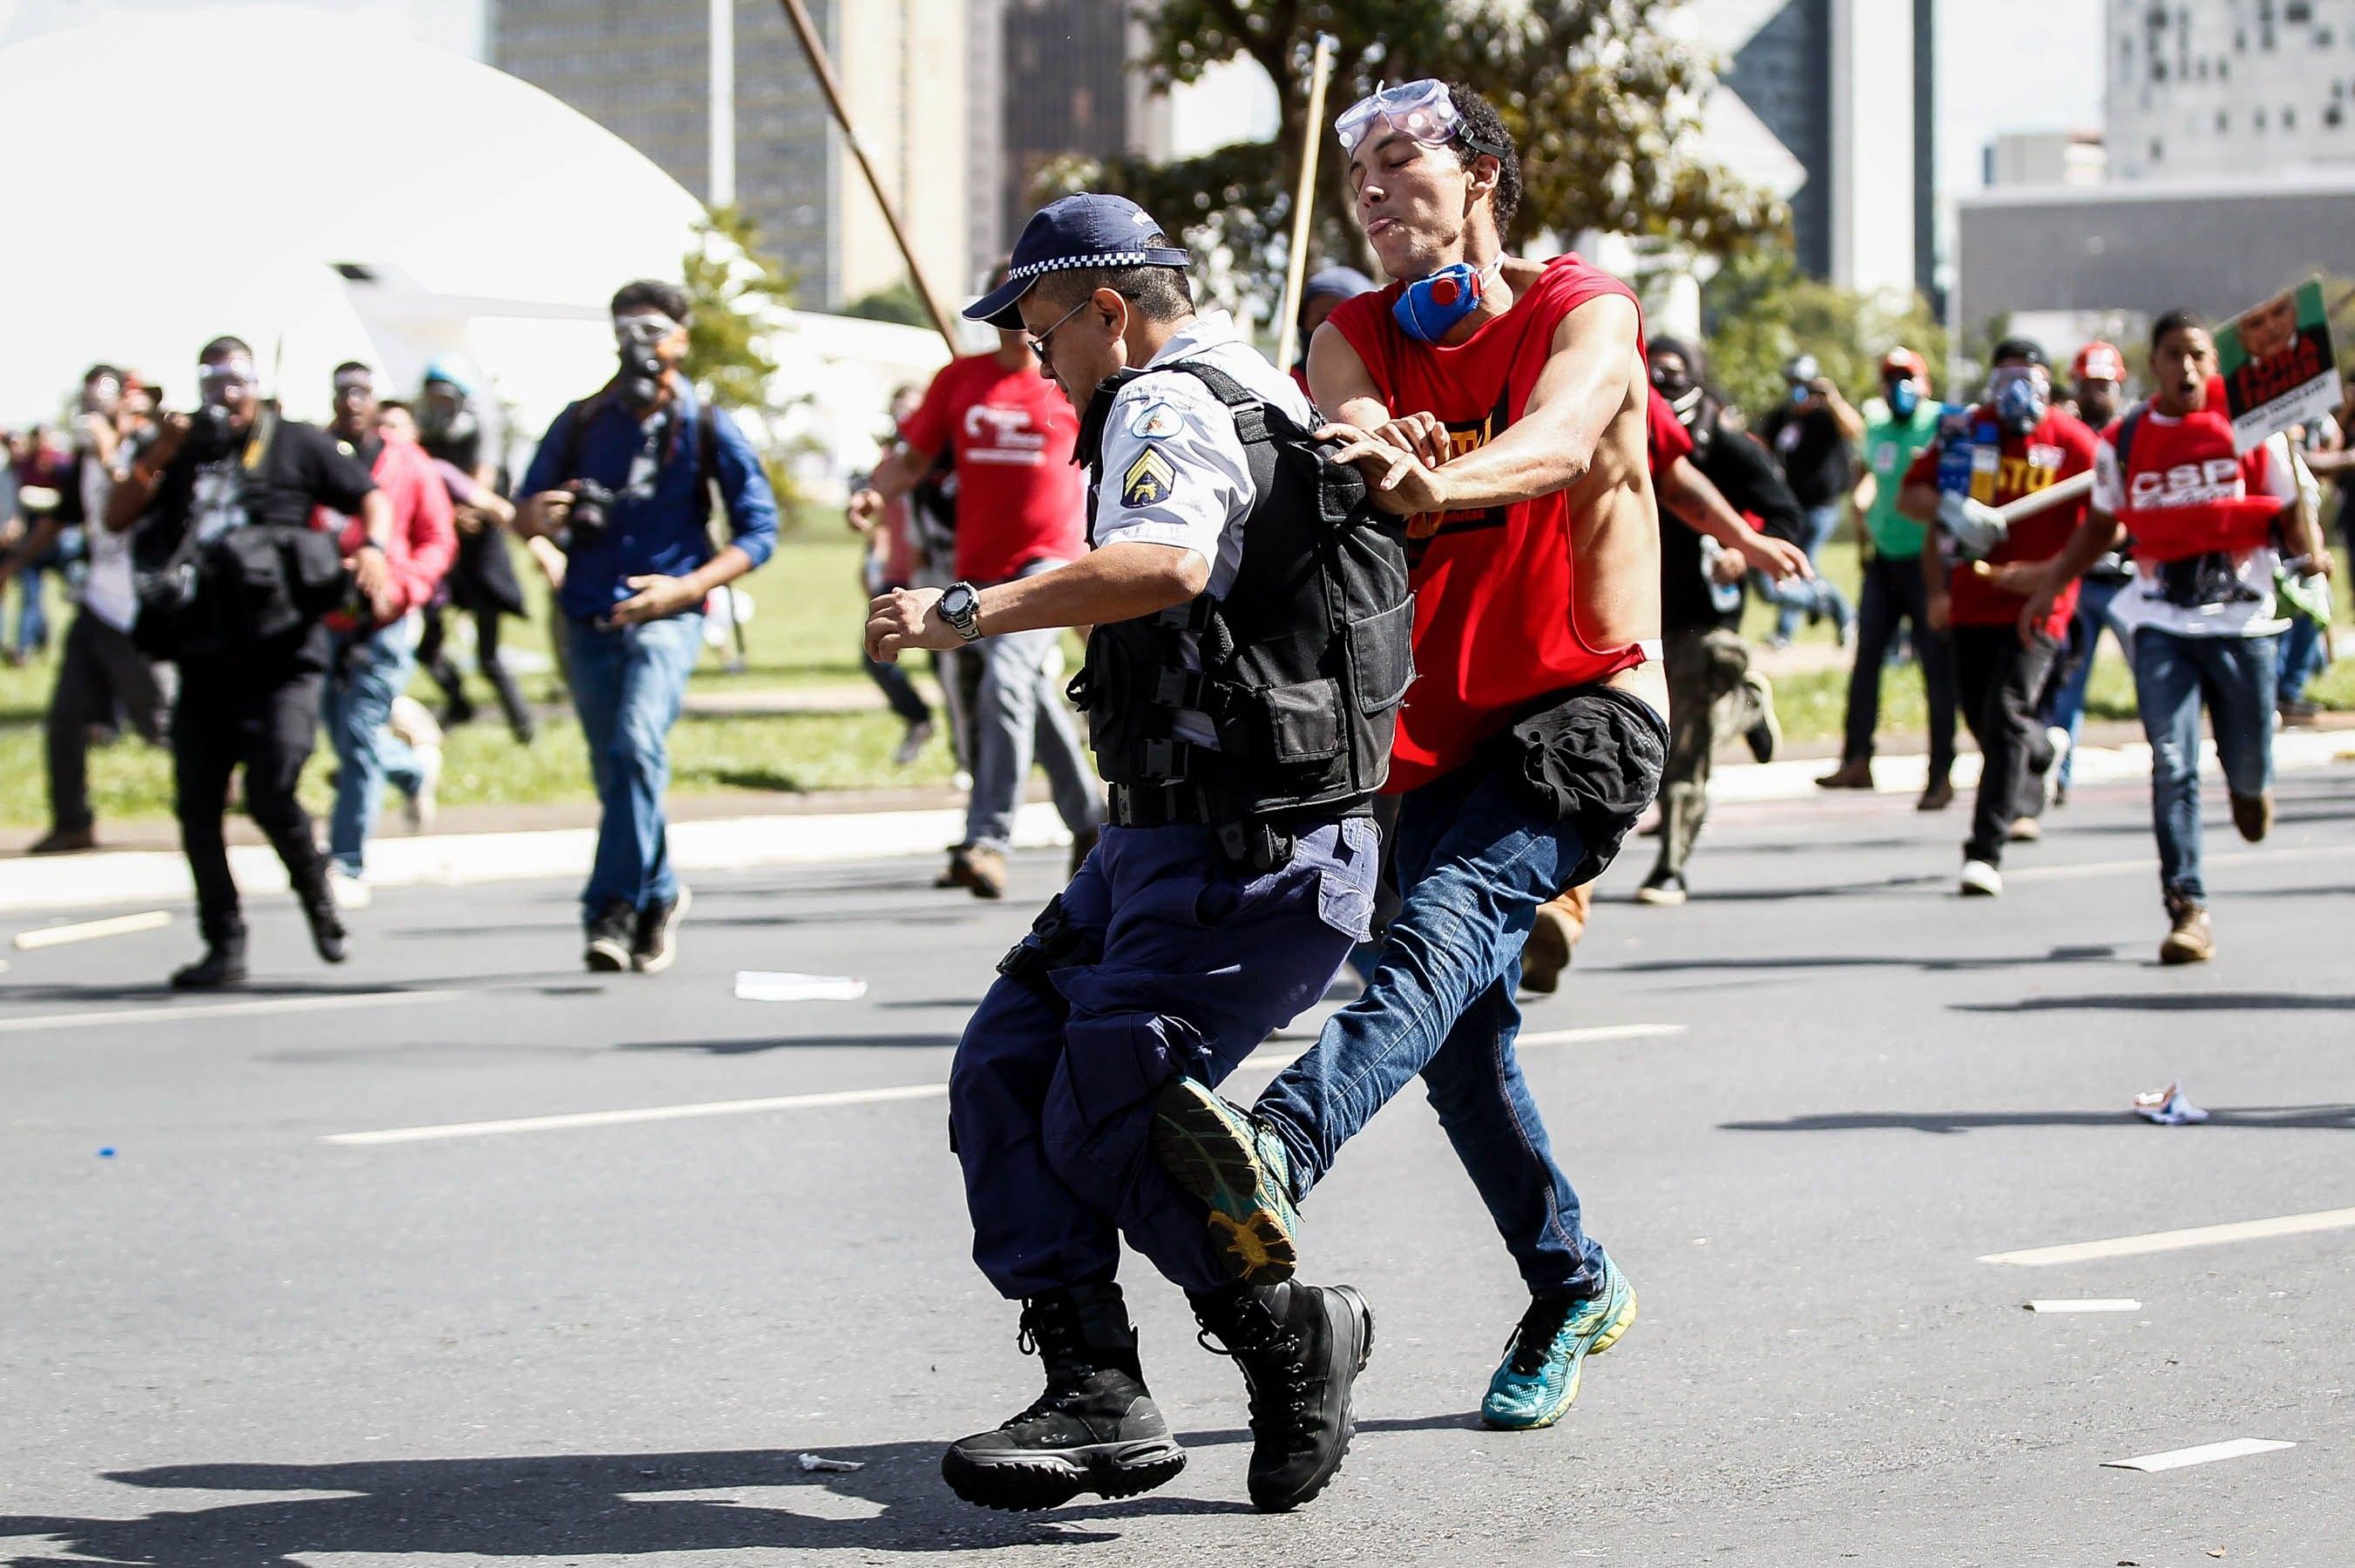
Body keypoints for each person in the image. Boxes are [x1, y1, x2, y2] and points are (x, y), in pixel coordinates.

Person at [1148, 79, 1668, 1435]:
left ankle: (1276, 1145)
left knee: (1430, 945)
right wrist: (1385, 465)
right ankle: (1572, 1283)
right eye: (1356, 173)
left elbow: (1557, 443)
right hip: (1420, 735)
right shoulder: (1350, 334)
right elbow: (1352, 448)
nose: (1371, 189)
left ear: (1481, 175)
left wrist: (1445, 481)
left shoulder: (1584, 307)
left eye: (1399, 160)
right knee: (1461, 1046)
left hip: (1587, 703)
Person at [866, 192, 1397, 1514]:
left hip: (1249, 846)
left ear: (1109, 308)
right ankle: (1095, 1387)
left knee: (1104, 1100)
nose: (1037, 361)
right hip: (1160, 841)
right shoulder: (1238, 384)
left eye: (1045, 330)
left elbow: (1160, 563)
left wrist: (967, 607)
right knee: (1007, 1067)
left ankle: (1288, 1335)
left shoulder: (1164, 399)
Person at [2015, 310, 2319, 962]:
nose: (2184, 367)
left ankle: (2249, 784)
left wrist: (2308, 537)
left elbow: (2293, 524)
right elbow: (2100, 527)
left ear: (2214, 363)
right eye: (2172, 355)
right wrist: (2047, 586)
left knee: (2245, 760)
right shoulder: (2125, 441)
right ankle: (2187, 907)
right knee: (2172, 764)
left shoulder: (2254, 434)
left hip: (2242, 623)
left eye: (2197, 355)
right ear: (2152, 364)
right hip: (2158, 622)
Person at [106, 336, 394, 988]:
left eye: (236, 381)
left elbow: (370, 495)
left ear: (257, 384)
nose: (225, 395)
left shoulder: (294, 442)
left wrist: (372, 547)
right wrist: (162, 449)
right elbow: (118, 513)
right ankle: (224, 943)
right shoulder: (183, 451)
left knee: (271, 790)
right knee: (197, 806)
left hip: (284, 653)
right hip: (205, 655)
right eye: (213, 381)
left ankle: (318, 899)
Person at [514, 279, 778, 975]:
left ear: (681, 337)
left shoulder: (707, 422)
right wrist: (542, 519)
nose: (639, 342)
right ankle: (659, 891)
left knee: (635, 749)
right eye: (626, 328)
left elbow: (759, 531)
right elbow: (524, 509)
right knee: (619, 774)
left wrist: (685, 588)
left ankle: (610, 911)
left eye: (653, 327)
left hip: (670, 614)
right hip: (586, 613)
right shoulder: (579, 421)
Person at [849, 267, 1105, 900]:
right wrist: (873, 497)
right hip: (977, 570)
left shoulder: (1067, 377)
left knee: (1007, 680)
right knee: (1030, 699)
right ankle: (1091, 822)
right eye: (1007, 311)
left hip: (1050, 562)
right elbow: (909, 460)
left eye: (1031, 311)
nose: (1019, 325)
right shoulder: (958, 381)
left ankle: (987, 839)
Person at [1896, 338, 2097, 897]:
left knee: (2006, 709)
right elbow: (1911, 500)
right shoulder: (1965, 432)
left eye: (2027, 378)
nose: (2014, 391)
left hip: (2039, 604)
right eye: (2004, 376)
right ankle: (2039, 748)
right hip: (1973, 599)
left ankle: (1984, 849)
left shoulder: (2073, 442)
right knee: (1983, 718)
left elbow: (2108, 522)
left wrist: (2051, 575)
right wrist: (1950, 509)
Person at [1630, 341, 1815, 909]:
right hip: (1635, 611)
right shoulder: (1621, 427)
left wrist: (1745, 546)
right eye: (1651, 368)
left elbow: (1785, 512)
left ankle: (1671, 867)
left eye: (1673, 370)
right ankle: (1747, 706)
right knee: (1651, 737)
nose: (1660, 379)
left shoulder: (1725, 446)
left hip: (1704, 619)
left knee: (1685, 748)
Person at [0, 366, 176, 854]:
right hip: (97, 604)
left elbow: (131, 507)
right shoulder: (84, 459)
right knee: (66, 720)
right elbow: (65, 515)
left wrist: (108, 453)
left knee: (160, 722)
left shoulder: (151, 450)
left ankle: (218, 791)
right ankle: (72, 822)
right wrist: (13, 565)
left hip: (138, 612)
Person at [315, 364, 457, 908]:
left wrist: (404, 586)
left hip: (386, 620)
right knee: (342, 734)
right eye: (343, 390)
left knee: (357, 733)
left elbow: (436, 538)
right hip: (325, 619)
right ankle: (413, 767)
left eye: (363, 391)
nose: (352, 401)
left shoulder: (408, 463)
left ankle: (347, 863)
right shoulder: (316, 452)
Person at [1817, 347, 1958, 808]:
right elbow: (1867, 467)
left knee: (1936, 669)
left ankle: (1940, 776)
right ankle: (1857, 759)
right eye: (1891, 377)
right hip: (1883, 558)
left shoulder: (1943, 424)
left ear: (1925, 382)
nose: (1900, 385)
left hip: (1928, 562)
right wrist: (1862, 501)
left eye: (1908, 376)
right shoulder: (1876, 424)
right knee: (1867, 662)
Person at [415, 361, 544, 743]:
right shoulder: (424, 439)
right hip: (442, 557)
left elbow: (479, 488)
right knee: (428, 646)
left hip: (481, 558)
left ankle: (523, 727)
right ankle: (458, 703)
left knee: (489, 656)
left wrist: (458, 512)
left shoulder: (480, 436)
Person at [2038, 341, 2135, 800]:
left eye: (2104, 385)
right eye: (2088, 386)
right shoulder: (2066, 438)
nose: (2097, 395)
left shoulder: (2135, 435)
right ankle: (2058, 773)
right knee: (2066, 686)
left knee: (2157, 679)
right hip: (2079, 580)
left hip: (2130, 580)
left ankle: (2171, 768)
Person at [849, 385, 937, 767]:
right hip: (898, 576)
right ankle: (918, 718)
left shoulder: (939, 461)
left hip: (935, 576)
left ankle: (969, 757)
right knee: (876, 655)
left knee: (951, 667)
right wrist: (873, 561)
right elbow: (883, 521)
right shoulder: (890, 464)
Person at [1756, 354, 1859, 646]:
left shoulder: (1827, 417)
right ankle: (1821, 614)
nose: (1796, 389)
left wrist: (1833, 399)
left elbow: (1855, 430)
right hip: (1793, 505)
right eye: (1792, 383)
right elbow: (1759, 449)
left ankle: (1833, 613)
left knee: (1804, 564)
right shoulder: (1783, 417)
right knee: (1797, 566)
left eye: (1802, 384)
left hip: (1823, 505)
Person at [1290, 265, 1377, 395]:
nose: (1328, 331)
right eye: (1320, 320)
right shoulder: (1285, 389)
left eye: (1343, 322)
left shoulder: (1389, 393)